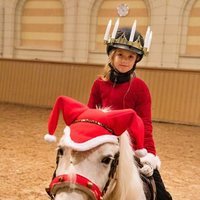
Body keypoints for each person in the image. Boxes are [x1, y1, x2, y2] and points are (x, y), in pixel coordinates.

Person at [87, 25, 172, 200]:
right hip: (104, 144)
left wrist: (149, 155)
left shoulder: (140, 88)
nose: (124, 60)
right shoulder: (99, 84)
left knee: (162, 196)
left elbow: (145, 123)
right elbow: (89, 116)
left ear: (136, 60)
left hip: (132, 148)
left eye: (130, 56)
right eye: (120, 55)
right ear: (112, 55)